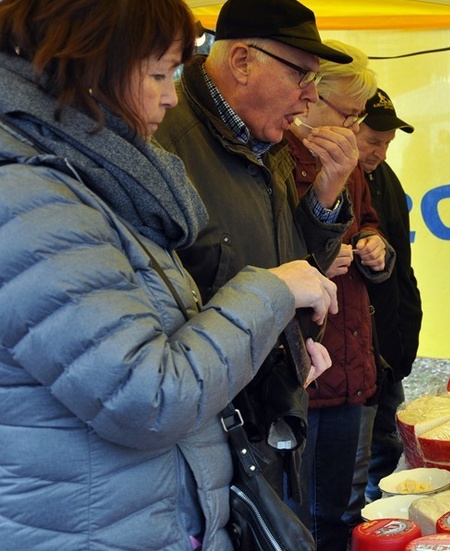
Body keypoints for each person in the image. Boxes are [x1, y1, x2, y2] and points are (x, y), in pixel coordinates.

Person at [0, 1, 336, 549]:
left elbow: (160, 330)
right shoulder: (32, 198)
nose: (171, 95)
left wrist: (276, 342)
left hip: (152, 514)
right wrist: (270, 292)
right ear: (88, 65)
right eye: (158, 74)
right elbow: (146, 395)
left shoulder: (95, 177)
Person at [153, 0, 358, 505]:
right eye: (301, 77)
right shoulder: (165, 143)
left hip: (269, 417)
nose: (310, 99)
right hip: (204, 441)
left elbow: (289, 262)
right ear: (243, 61)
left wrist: (326, 199)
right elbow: (165, 313)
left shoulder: (271, 143)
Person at [284, 40, 394, 551]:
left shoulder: (346, 163)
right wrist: (315, 264)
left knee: (342, 513)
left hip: (351, 360)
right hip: (301, 367)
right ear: (309, 92)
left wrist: (376, 249)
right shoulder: (272, 156)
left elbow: (369, 224)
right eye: (346, 114)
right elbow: (262, 258)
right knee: (296, 515)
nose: (352, 129)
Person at [343, 89, 423, 525]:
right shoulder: (333, 178)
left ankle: (379, 520)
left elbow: (401, 267)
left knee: (388, 444)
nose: (380, 151)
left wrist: (405, 331)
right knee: (358, 458)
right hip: (353, 352)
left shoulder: (385, 180)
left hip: (387, 343)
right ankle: (368, 525)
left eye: (388, 143)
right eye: (374, 139)